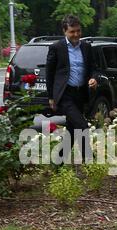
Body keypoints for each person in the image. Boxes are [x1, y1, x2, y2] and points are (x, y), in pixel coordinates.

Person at [46, 14, 98, 163]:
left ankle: (58, 162)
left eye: (78, 31)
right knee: (82, 126)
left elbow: (93, 68)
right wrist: (51, 97)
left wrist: (93, 78)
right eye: (72, 32)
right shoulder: (57, 48)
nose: (76, 34)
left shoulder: (86, 47)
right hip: (65, 94)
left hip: (80, 94)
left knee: (72, 129)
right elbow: (49, 74)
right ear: (65, 31)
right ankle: (89, 160)